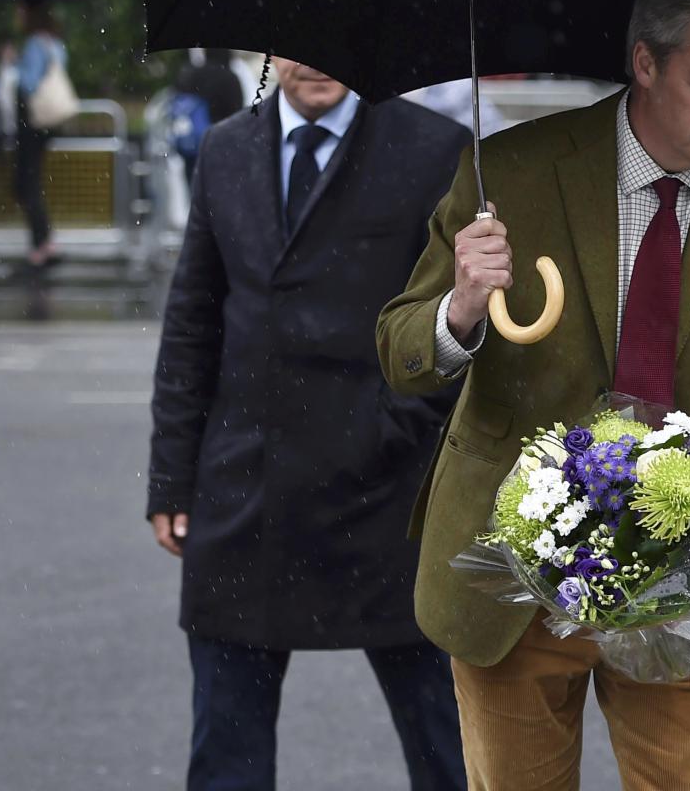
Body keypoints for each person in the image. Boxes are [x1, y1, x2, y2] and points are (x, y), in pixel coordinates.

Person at [376, 0, 690, 790]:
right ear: (646, 63)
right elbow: (402, 354)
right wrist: (462, 306)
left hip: (685, 577)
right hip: (508, 571)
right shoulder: (505, 174)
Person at [147, 57, 469, 790]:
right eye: (293, 40)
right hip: (243, 497)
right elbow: (193, 322)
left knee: (446, 749)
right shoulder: (227, 148)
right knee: (226, 758)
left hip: (389, 497)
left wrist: (390, 428)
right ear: (268, 47)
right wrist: (171, 478)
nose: (316, 62)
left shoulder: (434, 147)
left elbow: (454, 324)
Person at [12, 0, 67, 269]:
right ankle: (44, 240)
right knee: (31, 181)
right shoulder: (54, 42)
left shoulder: (34, 44)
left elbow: (29, 84)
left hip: (32, 121)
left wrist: (14, 65)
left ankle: (42, 241)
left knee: (26, 183)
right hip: (47, 123)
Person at [169, 48, 246, 187]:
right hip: (221, 149)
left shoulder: (188, 73)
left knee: (194, 194)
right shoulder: (229, 78)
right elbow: (237, 115)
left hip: (191, 147)